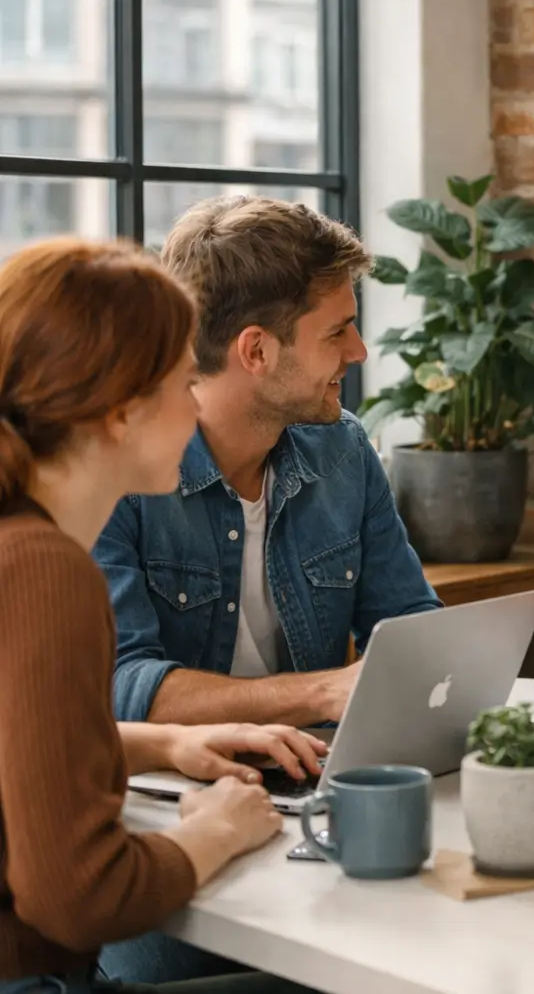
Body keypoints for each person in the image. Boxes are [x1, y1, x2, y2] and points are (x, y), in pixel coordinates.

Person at [0, 238, 325, 994]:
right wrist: (218, 831)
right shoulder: (45, 570)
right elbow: (79, 895)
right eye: (184, 380)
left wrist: (165, 742)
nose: (199, 402)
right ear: (119, 414)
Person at [93, 195, 441, 731]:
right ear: (256, 351)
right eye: (336, 331)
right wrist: (321, 693)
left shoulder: (343, 451)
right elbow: (121, 687)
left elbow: (412, 628)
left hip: (311, 777)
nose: (358, 352)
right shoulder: (116, 476)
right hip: (174, 791)